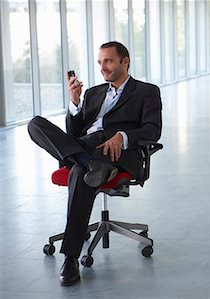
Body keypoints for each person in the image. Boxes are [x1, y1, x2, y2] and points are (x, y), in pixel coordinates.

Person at [28, 41, 162, 286]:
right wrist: (75, 103)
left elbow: (153, 130)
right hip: (86, 147)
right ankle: (88, 162)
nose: (103, 67)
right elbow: (74, 131)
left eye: (109, 61)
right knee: (35, 124)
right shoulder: (93, 93)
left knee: (79, 173)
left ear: (125, 61)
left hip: (114, 153)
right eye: (100, 62)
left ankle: (70, 258)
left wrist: (123, 137)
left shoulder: (147, 91)